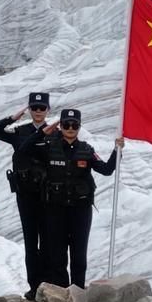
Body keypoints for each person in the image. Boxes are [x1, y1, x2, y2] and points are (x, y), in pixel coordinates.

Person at [17, 109, 123, 289]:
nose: (71, 128)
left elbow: (106, 170)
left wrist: (117, 150)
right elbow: (23, 151)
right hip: (54, 209)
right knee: (57, 255)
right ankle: (62, 293)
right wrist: (42, 133)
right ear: (61, 126)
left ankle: (77, 291)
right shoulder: (48, 147)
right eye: (66, 124)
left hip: (80, 210)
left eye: (75, 125)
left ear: (79, 127)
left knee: (78, 254)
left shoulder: (87, 150)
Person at [0, 91, 51, 300]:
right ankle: (34, 286)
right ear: (29, 109)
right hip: (25, 194)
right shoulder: (20, 131)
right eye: (34, 108)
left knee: (48, 242)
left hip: (48, 195)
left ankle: (47, 285)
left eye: (42, 108)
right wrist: (13, 117)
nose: (38, 111)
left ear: (48, 110)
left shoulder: (54, 132)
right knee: (31, 243)